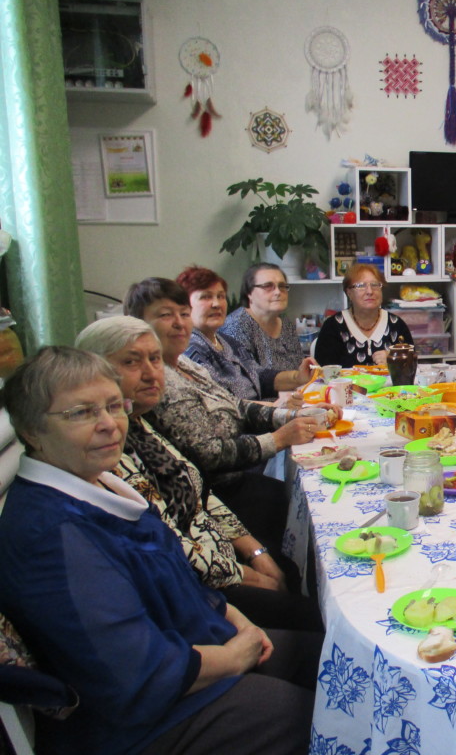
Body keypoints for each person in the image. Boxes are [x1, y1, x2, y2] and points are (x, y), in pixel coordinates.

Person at [0, 347, 318, 755]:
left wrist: (236, 620)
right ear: (30, 431)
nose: (109, 425)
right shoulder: (52, 534)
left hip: (199, 646)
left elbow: (178, 578)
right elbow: (137, 671)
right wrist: (235, 657)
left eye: (113, 406)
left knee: (329, 659)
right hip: (151, 718)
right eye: (81, 413)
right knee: (331, 714)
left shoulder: (100, 483)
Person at [76, 316, 322, 631]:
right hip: (199, 589)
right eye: (131, 362)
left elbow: (201, 495)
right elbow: (167, 540)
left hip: (218, 551)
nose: (151, 373)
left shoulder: (140, 422)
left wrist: (255, 551)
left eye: (154, 359)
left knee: (296, 566)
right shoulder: (109, 449)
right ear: (95, 372)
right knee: (313, 614)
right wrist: (247, 573)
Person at [123, 277, 325, 549]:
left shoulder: (184, 363)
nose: (179, 323)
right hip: (218, 493)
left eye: (183, 313)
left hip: (239, 474)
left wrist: (291, 417)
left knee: (303, 499)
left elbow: (236, 405)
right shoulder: (158, 381)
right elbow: (209, 454)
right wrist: (279, 438)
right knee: (307, 505)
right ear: (139, 324)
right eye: (165, 315)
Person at [177, 265, 314, 401]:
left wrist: (298, 377)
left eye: (221, 296)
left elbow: (258, 377)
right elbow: (220, 403)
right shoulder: (190, 349)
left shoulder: (226, 342)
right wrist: (274, 409)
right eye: (205, 297)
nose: (216, 304)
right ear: (184, 305)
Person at [313, 263, 412, 367]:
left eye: (375, 285)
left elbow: (411, 366)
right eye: (361, 286)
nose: (369, 291)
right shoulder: (333, 327)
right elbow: (322, 372)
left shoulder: (396, 325)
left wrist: (394, 359)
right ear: (349, 293)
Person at [220, 263, 306, 380]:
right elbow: (246, 381)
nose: (278, 292)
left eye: (282, 286)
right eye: (268, 286)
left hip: (296, 389)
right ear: (249, 293)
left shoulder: (285, 325)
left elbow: (299, 366)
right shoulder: (236, 326)